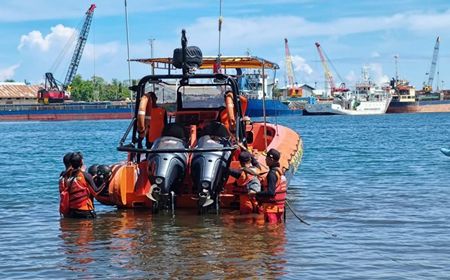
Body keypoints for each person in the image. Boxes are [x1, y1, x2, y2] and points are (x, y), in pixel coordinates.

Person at [64, 152, 98, 218]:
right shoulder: (85, 175)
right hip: (85, 211)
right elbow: (96, 191)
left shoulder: (65, 175)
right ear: (81, 162)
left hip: (71, 210)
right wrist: (105, 181)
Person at [256, 148, 286, 223]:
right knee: (277, 231)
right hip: (278, 208)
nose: (265, 159)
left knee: (271, 232)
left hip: (272, 209)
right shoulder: (278, 171)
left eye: (267, 158)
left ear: (271, 159)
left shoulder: (272, 174)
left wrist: (256, 194)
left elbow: (271, 193)